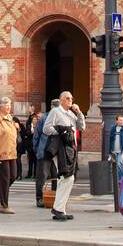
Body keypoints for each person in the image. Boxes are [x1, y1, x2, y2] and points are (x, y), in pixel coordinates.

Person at [42, 91, 84, 220]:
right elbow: (46, 129)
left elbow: (81, 127)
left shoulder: (71, 114)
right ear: (61, 100)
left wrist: (79, 113)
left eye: (71, 98)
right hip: (60, 149)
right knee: (68, 178)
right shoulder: (55, 112)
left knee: (64, 179)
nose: (70, 100)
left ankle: (60, 209)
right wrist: (61, 131)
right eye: (67, 98)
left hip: (70, 150)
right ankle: (58, 209)